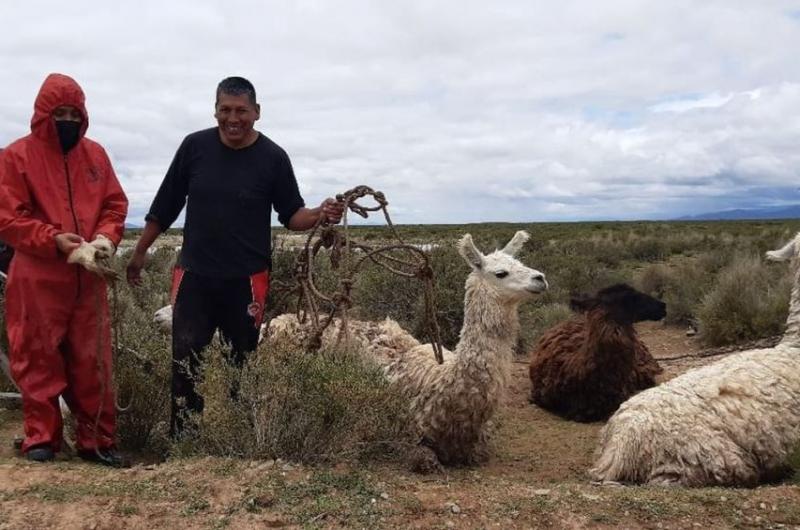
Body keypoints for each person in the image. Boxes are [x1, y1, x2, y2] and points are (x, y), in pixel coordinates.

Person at [126, 76, 344, 438]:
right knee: (184, 363)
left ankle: (238, 442)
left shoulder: (274, 158)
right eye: (225, 110)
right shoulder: (193, 147)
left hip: (247, 281)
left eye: (241, 110)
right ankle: (184, 444)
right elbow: (165, 206)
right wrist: (139, 252)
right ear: (215, 111)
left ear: (257, 113)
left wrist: (321, 213)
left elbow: (292, 216)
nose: (233, 118)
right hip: (194, 275)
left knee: (241, 366)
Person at [0, 73, 129, 466]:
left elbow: (114, 204)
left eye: (75, 113)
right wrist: (53, 240)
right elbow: (8, 217)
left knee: (93, 361)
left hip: (89, 275)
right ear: (43, 114)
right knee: (37, 356)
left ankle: (97, 442)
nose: (68, 120)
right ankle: (42, 438)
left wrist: (105, 239)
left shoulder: (96, 155)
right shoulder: (16, 157)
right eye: (61, 113)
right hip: (38, 276)